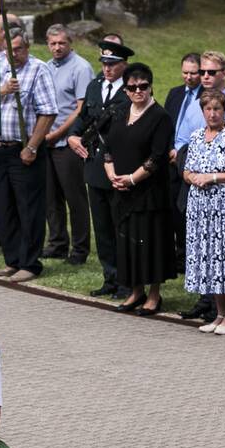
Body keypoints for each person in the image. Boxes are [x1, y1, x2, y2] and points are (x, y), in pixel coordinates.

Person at [101, 63, 176, 315]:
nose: (138, 91)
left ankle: (154, 295)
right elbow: (108, 147)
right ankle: (135, 291)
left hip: (149, 193)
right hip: (121, 191)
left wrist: (132, 179)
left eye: (143, 86)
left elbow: (157, 157)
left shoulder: (160, 117)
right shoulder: (121, 112)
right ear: (126, 90)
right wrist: (112, 174)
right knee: (127, 243)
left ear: (150, 85)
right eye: (132, 87)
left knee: (150, 244)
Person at [181, 89, 225, 335]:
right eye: (208, 110)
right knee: (209, 258)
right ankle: (219, 313)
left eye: (217, 109)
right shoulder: (196, 136)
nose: (212, 114)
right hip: (200, 208)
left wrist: (213, 177)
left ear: (224, 111)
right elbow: (187, 171)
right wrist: (194, 178)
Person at [0, 28, 57, 284]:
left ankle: (30, 263)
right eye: (9, 50)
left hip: (23, 150)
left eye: (19, 49)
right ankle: (12, 259)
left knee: (29, 208)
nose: (14, 54)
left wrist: (32, 147)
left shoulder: (38, 69)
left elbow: (48, 112)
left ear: (27, 47)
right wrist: (4, 90)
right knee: (4, 207)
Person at [68, 37, 133, 297]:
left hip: (119, 166)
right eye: (104, 63)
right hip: (95, 164)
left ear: (123, 65)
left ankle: (126, 280)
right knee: (103, 226)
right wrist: (73, 136)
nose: (107, 68)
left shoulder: (130, 89)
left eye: (113, 64)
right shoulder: (95, 86)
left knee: (120, 226)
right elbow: (83, 117)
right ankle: (110, 277)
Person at [43, 23, 94, 264]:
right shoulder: (46, 68)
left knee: (75, 198)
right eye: (53, 43)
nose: (57, 47)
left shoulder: (81, 68)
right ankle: (57, 243)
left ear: (70, 42)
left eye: (62, 43)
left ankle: (80, 249)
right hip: (46, 142)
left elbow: (81, 109)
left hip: (68, 143)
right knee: (51, 198)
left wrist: (56, 134)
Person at [164, 52, 201, 271]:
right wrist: (170, 148)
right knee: (173, 209)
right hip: (171, 160)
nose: (188, 77)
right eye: (185, 72)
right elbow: (169, 123)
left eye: (193, 73)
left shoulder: (206, 96)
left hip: (191, 162)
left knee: (187, 209)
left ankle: (189, 256)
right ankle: (178, 255)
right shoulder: (175, 93)